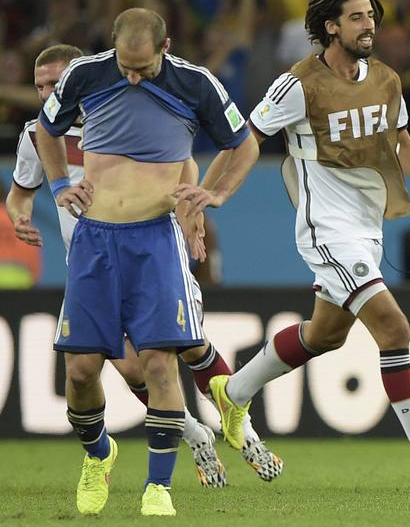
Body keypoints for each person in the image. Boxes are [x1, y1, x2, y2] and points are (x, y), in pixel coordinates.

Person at [212, 0, 410, 487]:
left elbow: (403, 141)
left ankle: (234, 392)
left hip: (366, 231)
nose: (369, 26)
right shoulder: (297, 84)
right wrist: (215, 193)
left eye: (371, 16)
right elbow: (246, 138)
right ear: (331, 26)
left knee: (325, 334)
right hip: (327, 229)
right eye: (357, 17)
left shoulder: (386, 79)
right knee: (394, 329)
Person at [9, 45, 283, 488]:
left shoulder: (121, 111)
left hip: (147, 251)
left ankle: (245, 433)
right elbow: (21, 192)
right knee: (130, 369)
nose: (46, 94)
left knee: (187, 348)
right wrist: (20, 216)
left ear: (78, 78)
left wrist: (191, 212)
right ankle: (194, 435)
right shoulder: (37, 135)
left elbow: (182, 161)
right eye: (40, 86)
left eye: (55, 84)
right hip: (91, 265)